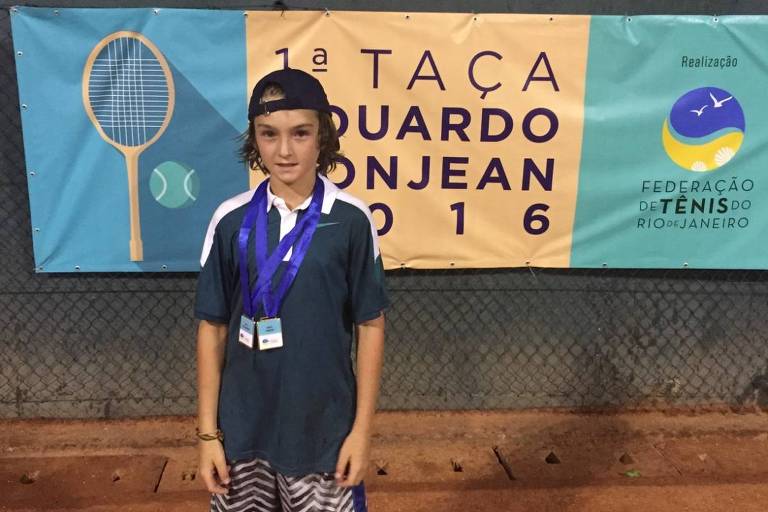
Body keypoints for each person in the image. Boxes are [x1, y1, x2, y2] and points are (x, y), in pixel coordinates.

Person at [194, 68, 388, 512]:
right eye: (269, 134)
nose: (284, 150)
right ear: (255, 140)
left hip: (324, 439)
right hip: (242, 438)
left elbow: (371, 325)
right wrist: (208, 434)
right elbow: (213, 328)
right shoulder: (229, 220)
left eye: (300, 133)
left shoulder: (351, 221)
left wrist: (361, 432)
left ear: (323, 135)